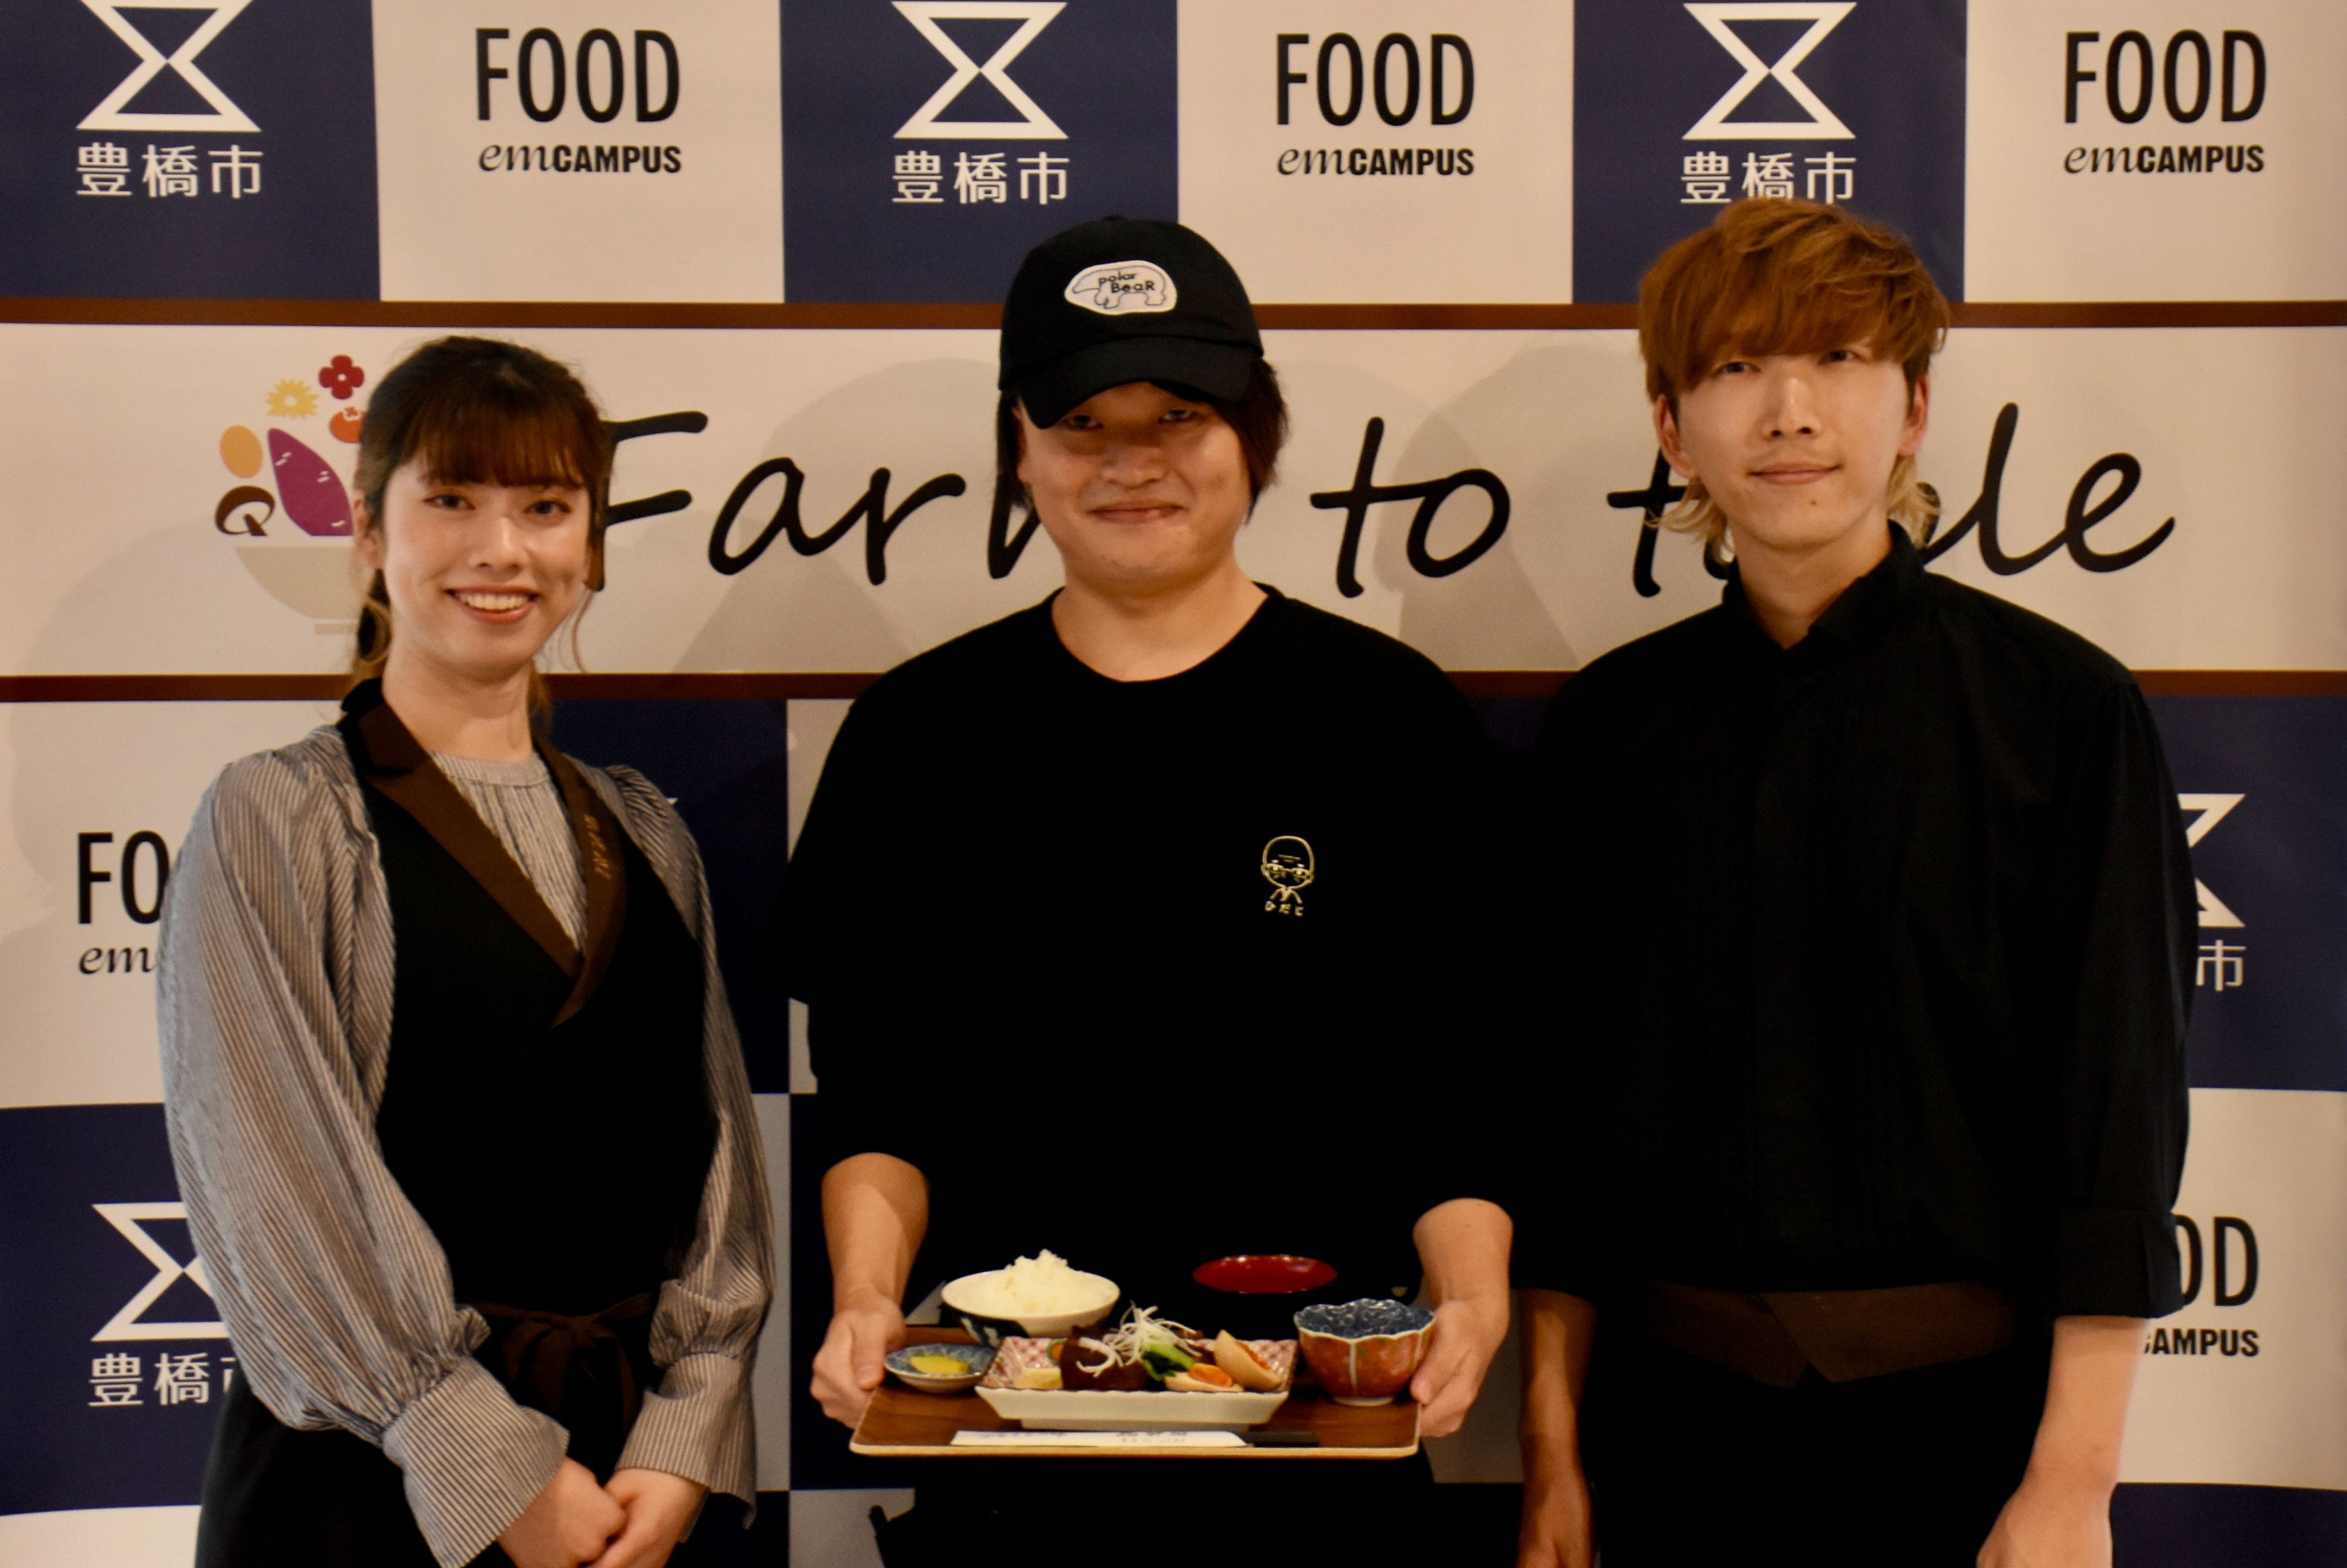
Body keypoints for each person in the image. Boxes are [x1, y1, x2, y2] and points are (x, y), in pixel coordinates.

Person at [782, 217, 1516, 1563]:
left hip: (1321, 1444)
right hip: (1013, 1447)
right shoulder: (918, 734)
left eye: (1180, 414)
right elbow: (877, 1094)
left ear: (1255, 436)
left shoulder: (1388, 719)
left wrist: (1472, 1295)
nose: (1132, 462)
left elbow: (1458, 1084)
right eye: (1081, 424)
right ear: (1019, 449)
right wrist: (868, 1296)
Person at [1513, 198, 2196, 1568]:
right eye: (1736, 368)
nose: (1790, 413)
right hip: (1662, 1439)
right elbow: (1562, 1125)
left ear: (1915, 409)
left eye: (1837, 359)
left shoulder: (2063, 712)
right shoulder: (1609, 729)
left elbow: (2115, 1123)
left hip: (1968, 1440)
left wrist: (2073, 1485)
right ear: (1673, 429)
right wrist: (1551, 1458)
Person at [159, 337, 772, 1568]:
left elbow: (717, 1167)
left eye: (546, 507)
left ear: (590, 544)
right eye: (451, 499)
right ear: (368, 532)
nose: (502, 549)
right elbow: (276, 1184)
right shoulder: (281, 816)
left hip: (630, 1487)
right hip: (363, 1488)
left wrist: (688, 1428)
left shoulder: (645, 830)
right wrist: (483, 1462)